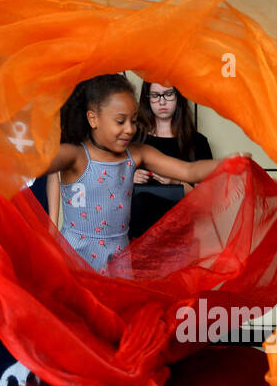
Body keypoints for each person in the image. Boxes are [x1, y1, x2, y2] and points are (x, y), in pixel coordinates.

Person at [43, 74, 235, 272]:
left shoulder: (136, 154)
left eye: (133, 121)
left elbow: (189, 170)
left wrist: (228, 162)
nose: (130, 129)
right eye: (120, 121)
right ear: (93, 119)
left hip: (118, 256)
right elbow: (38, 163)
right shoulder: (75, 155)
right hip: (76, 256)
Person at [130, 81, 213, 238]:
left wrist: (176, 182)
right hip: (137, 236)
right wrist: (128, 178)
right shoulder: (132, 137)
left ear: (179, 96)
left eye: (168, 94)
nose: (162, 101)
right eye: (155, 95)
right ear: (146, 98)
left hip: (181, 238)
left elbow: (206, 202)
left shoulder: (198, 142)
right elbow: (107, 186)